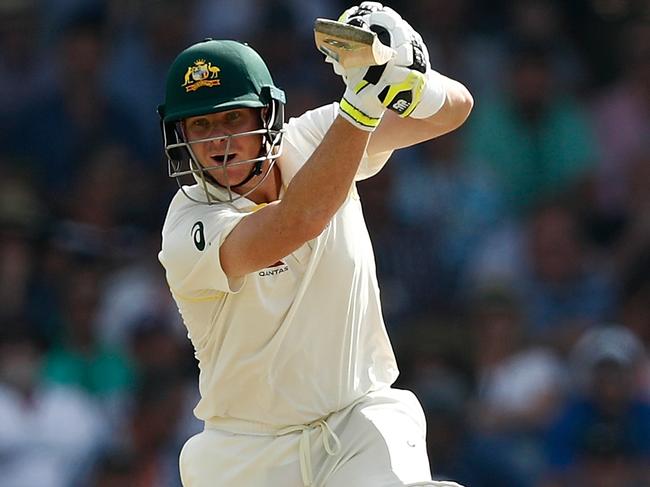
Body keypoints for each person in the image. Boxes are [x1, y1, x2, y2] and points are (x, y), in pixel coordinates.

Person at [157, 2, 473, 486]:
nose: (219, 139)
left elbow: (453, 111)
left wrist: (406, 77)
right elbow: (297, 220)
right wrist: (363, 103)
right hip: (246, 454)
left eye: (232, 118)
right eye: (200, 125)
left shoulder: (316, 137)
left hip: (358, 424)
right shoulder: (188, 226)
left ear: (268, 114)